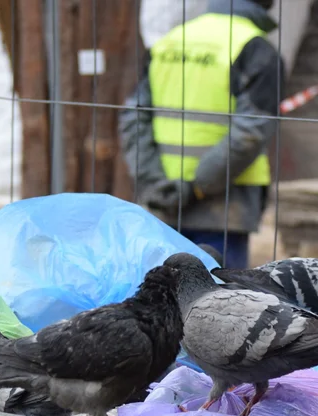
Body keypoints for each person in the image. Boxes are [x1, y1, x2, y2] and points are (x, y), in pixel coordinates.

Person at [119, 0, 284, 269]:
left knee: (159, 299)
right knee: (222, 300)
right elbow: (250, 131)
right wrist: (195, 186)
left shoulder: (170, 41)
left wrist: (152, 179)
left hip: (162, 198)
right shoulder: (254, 47)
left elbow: (133, 117)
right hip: (223, 206)